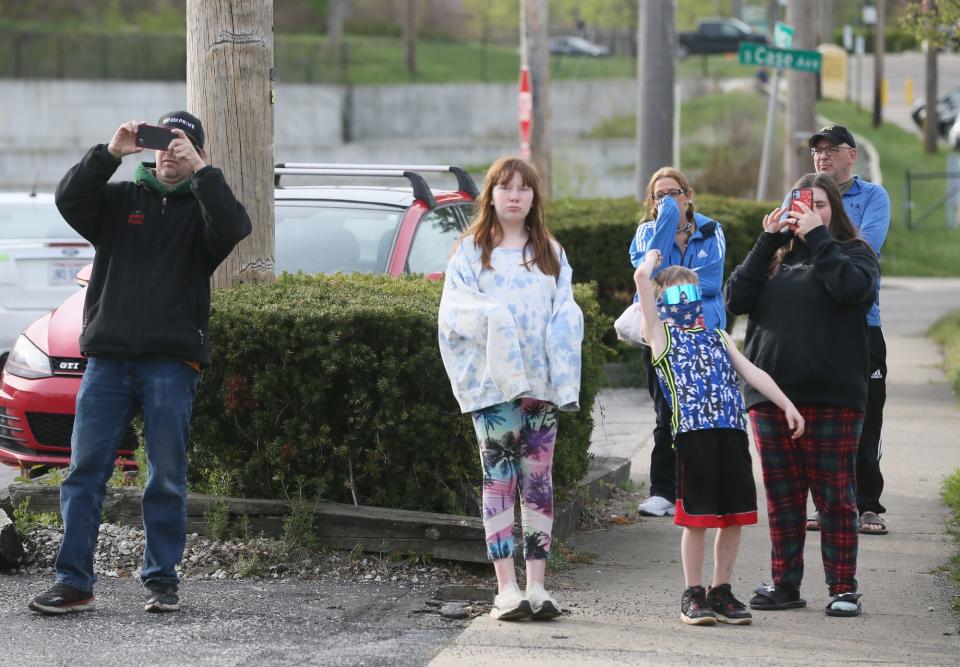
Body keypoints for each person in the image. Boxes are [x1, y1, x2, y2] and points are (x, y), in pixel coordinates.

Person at [28, 112, 252, 615]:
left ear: (196, 151)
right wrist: (109, 153)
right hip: (108, 362)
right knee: (84, 473)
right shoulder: (120, 200)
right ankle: (74, 582)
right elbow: (70, 198)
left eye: (182, 144)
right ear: (148, 148)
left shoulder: (203, 210)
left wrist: (204, 172)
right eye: (162, 142)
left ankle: (161, 579)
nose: (170, 152)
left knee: (166, 476)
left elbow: (236, 227)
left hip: (171, 365)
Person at [725, 173, 880, 618]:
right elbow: (737, 298)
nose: (810, 211)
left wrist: (818, 237)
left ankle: (843, 587)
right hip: (771, 396)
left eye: (821, 205)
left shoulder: (853, 253)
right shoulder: (773, 256)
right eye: (800, 204)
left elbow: (853, 290)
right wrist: (765, 241)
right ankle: (784, 584)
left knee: (834, 496)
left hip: (833, 396)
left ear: (835, 210)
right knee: (784, 497)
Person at [438, 156, 583, 621]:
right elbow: (455, 311)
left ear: (534, 196)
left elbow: (565, 311)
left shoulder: (550, 252)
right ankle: (506, 588)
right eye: (506, 187)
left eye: (523, 188)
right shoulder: (470, 251)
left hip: (540, 387)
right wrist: (495, 320)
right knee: (499, 480)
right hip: (492, 388)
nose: (515, 195)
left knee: (538, 482)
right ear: (492, 195)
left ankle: (538, 585)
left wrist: (561, 374)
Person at [633, 251, 803, 626]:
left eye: (692, 294)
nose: (687, 303)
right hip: (694, 437)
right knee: (697, 518)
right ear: (662, 304)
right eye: (677, 296)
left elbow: (753, 372)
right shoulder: (660, 337)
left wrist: (786, 404)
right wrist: (649, 261)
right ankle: (692, 593)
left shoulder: (718, 336)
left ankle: (720, 589)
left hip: (731, 432)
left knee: (734, 517)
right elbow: (641, 282)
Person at [804, 125, 891, 536]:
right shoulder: (799, 197)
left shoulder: (873, 197)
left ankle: (868, 504)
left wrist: (818, 242)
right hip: (814, 325)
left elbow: (866, 247)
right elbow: (790, 252)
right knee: (821, 419)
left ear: (851, 155)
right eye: (816, 150)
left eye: (831, 148)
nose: (822, 155)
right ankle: (826, 504)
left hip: (862, 324)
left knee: (866, 415)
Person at [628, 167, 727, 517]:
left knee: (702, 414)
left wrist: (672, 280)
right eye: (659, 196)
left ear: (689, 195)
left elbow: (713, 281)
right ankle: (663, 491)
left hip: (703, 337)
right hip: (661, 339)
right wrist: (666, 221)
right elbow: (652, 277)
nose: (667, 201)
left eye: (674, 194)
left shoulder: (711, 230)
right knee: (665, 414)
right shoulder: (646, 234)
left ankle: (698, 490)